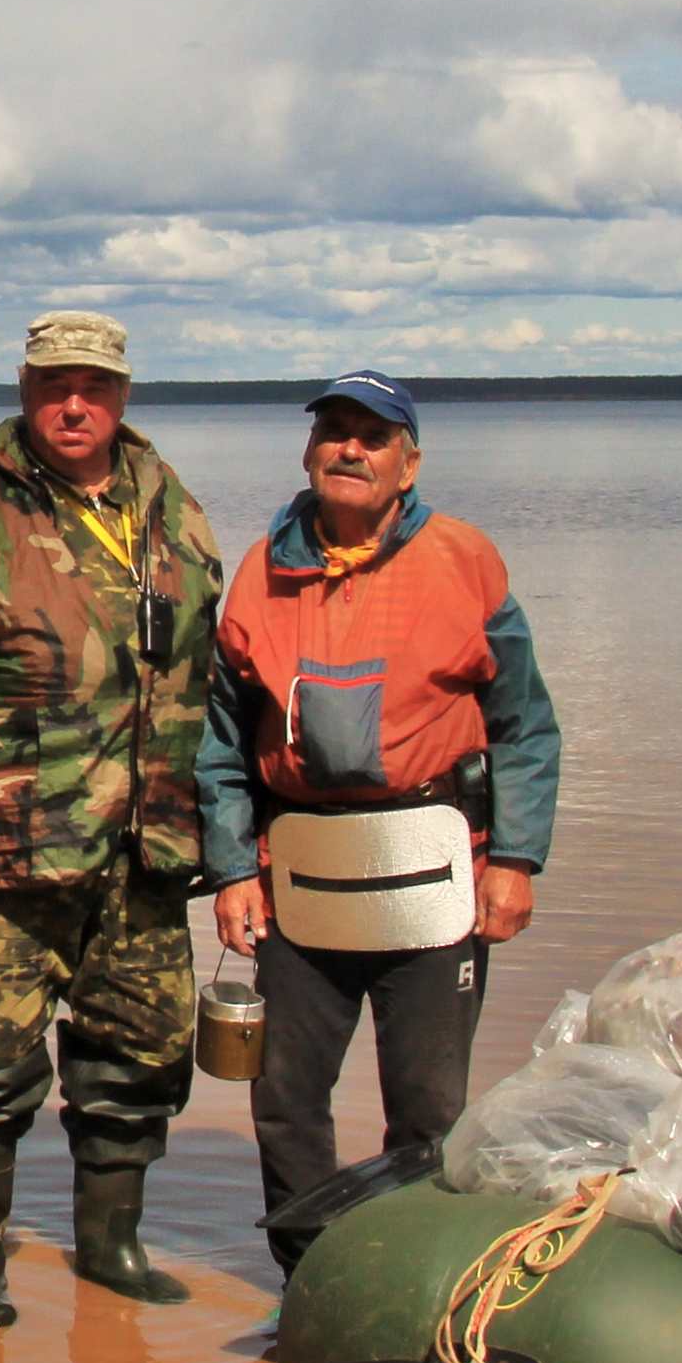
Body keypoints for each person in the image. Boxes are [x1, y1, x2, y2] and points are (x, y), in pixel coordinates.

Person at [0, 311, 225, 1329]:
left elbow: (213, 667)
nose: (75, 404)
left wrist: (231, 835)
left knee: (136, 1057)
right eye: (54, 384)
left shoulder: (168, 502)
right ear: (25, 388)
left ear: (123, 395)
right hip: (1, 847)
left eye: (95, 386)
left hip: (144, 845)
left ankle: (110, 1246)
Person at [203, 370, 560, 1276]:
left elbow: (525, 725)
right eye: (334, 432)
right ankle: (312, 1283)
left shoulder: (464, 558)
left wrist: (516, 860)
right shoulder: (257, 574)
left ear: (409, 463)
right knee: (283, 1100)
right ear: (309, 451)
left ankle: (414, 1286)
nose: (349, 449)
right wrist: (233, 870)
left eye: (372, 436)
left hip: (436, 874)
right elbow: (218, 745)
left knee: (429, 1111)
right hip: (302, 876)